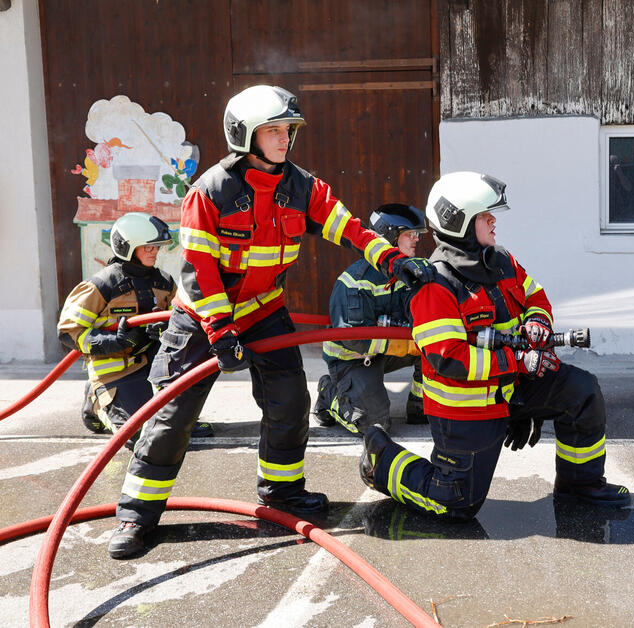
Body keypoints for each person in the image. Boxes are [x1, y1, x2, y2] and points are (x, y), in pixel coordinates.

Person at [107, 85, 434, 559]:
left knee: (290, 401)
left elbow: (350, 227)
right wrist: (220, 331)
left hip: (264, 311)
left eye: (288, 130)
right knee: (173, 418)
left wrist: (390, 260)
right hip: (202, 318)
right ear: (245, 134)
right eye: (274, 130)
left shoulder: (303, 186)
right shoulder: (210, 193)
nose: (285, 140)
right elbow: (200, 269)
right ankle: (136, 515)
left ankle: (280, 491)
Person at [358, 171, 630, 521]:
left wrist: (537, 322)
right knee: (455, 503)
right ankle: (382, 460)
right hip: (468, 410)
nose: (493, 221)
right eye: (485, 215)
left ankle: (581, 484)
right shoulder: (434, 285)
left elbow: (535, 295)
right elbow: (449, 359)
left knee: (582, 391)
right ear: (459, 222)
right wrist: (517, 361)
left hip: (514, 386)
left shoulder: (500, 260)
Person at [57, 213, 213, 444]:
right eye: (147, 247)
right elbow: (68, 332)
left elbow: (182, 320)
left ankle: (173, 410)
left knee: (173, 431)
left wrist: (164, 329)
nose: (154, 252)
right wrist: (117, 342)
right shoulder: (101, 286)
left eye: (156, 247)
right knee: (140, 437)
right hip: (115, 371)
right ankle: (96, 399)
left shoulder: (164, 282)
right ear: (126, 247)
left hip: (153, 370)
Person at [314, 203, 428, 434]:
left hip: (388, 352)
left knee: (436, 348)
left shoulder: (414, 273)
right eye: (409, 234)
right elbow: (354, 339)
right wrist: (404, 343)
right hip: (353, 358)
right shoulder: (356, 282)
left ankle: (420, 404)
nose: (416, 239)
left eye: (416, 234)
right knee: (373, 425)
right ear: (390, 238)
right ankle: (329, 393)